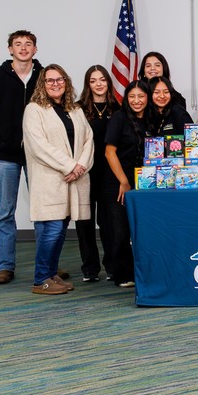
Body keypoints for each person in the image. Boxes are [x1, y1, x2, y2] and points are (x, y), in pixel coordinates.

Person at [22, 65, 92, 295]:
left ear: (66, 81)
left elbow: (88, 140)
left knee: (60, 230)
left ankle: (51, 275)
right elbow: (39, 146)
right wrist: (71, 165)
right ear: (42, 83)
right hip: (50, 180)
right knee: (50, 231)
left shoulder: (74, 109)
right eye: (50, 80)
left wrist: (80, 167)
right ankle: (40, 280)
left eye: (59, 79)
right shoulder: (34, 110)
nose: (55, 84)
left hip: (72, 180)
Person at [0, 30, 43, 285]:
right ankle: (5, 265)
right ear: (10, 50)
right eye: (18, 44)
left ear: (35, 49)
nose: (23, 48)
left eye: (28, 44)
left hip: (38, 156)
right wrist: (3, 139)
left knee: (42, 211)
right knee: (5, 211)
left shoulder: (43, 78)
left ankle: (47, 263)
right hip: (5, 157)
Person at [74, 65, 119, 283]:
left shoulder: (118, 107)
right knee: (84, 221)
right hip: (84, 172)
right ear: (87, 84)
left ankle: (111, 265)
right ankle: (89, 268)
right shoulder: (77, 109)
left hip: (109, 173)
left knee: (108, 222)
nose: (98, 84)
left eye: (102, 80)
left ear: (108, 83)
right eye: (93, 81)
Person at [103, 80, 149, 288]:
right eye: (132, 97)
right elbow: (109, 152)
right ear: (126, 99)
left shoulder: (150, 120)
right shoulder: (119, 119)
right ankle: (122, 274)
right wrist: (123, 181)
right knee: (120, 230)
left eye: (141, 96)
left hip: (144, 183)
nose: (136, 101)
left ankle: (140, 270)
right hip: (119, 181)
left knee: (141, 229)